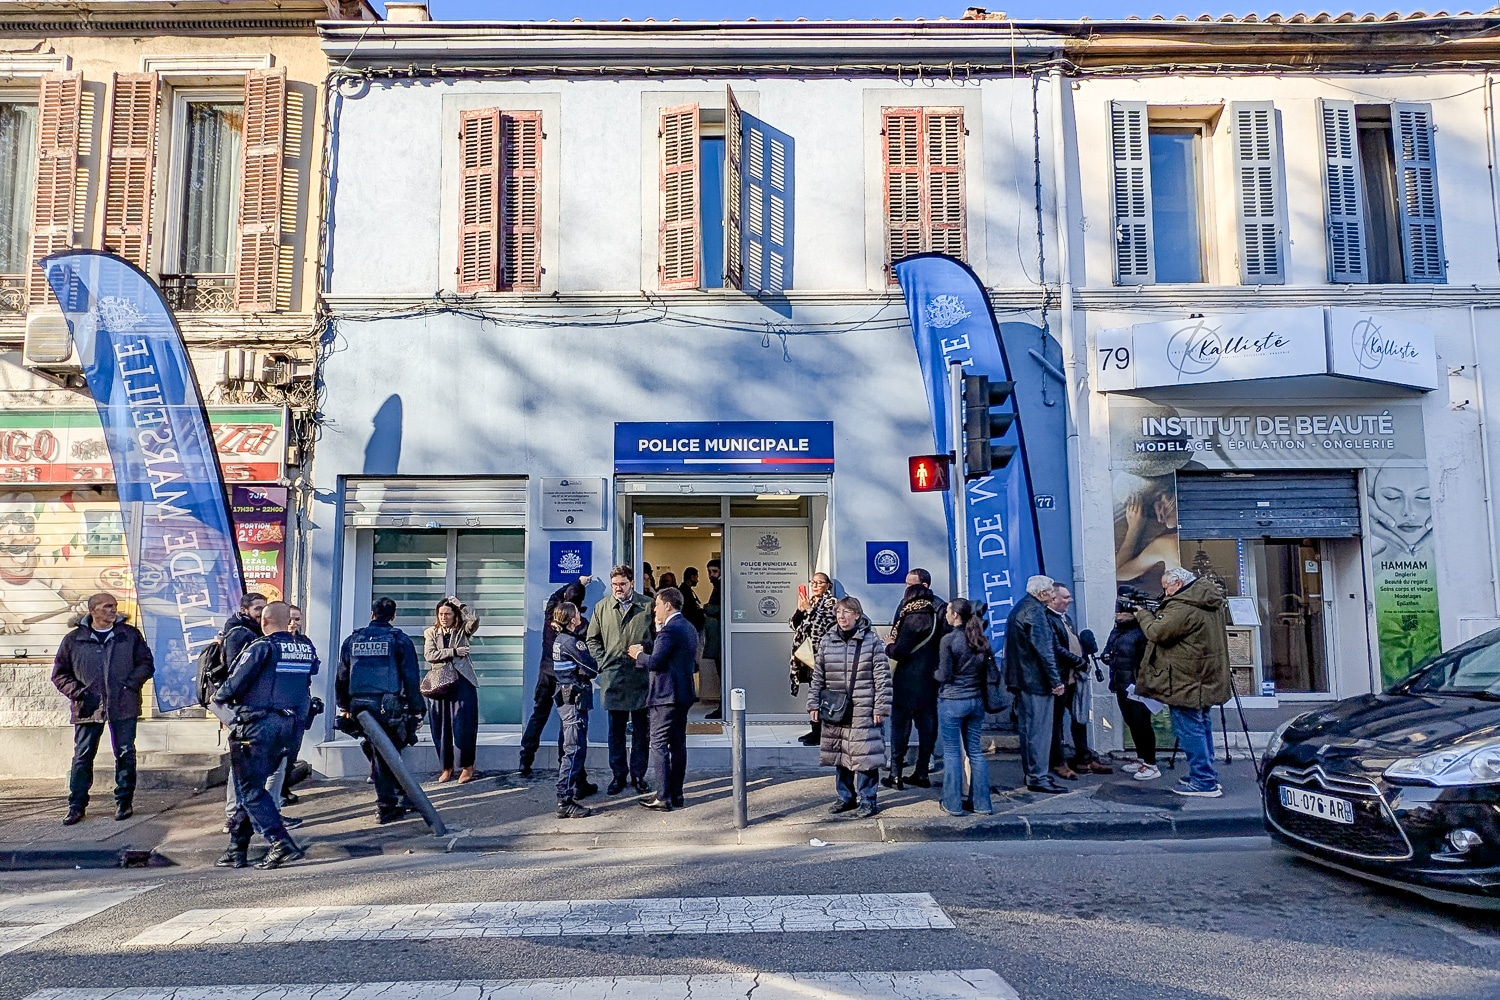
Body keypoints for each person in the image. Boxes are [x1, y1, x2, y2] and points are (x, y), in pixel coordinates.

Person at [212, 601, 315, 869]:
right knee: (251, 787)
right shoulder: (305, 648)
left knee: (249, 790)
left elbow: (230, 688)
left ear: (264, 622)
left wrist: (220, 696)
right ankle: (237, 847)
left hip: (257, 726)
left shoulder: (261, 647)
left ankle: (280, 843)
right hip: (289, 728)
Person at [50, 593, 154, 825]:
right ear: (93, 610)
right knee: (83, 756)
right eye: (107, 606)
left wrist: (130, 685)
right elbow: (59, 674)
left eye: (114, 606)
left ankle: (124, 801)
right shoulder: (74, 639)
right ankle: (76, 806)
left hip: (123, 704)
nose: (113, 610)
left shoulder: (128, 635)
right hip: (88, 707)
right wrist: (79, 693)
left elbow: (146, 664)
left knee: (125, 753)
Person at [1135, 566, 1233, 798]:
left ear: (1178, 583)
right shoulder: (1206, 599)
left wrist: (1142, 614)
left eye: (1166, 587)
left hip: (1185, 678)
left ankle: (1203, 781)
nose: (1165, 592)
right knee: (1201, 725)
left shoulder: (1183, 606)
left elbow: (1157, 632)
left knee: (1190, 729)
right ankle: (1206, 775)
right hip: (1203, 675)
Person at [337, 597, 426, 823]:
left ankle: (401, 796)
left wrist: (344, 706)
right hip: (388, 707)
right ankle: (387, 805)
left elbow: (342, 676)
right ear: (393, 616)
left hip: (360, 707)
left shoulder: (352, 640)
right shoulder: (399, 640)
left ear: (372, 614)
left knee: (381, 751)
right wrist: (417, 710)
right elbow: (410, 677)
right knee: (385, 753)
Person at [808, 596, 892, 818]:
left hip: (864, 707)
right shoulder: (828, 640)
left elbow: (882, 678)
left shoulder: (871, 641)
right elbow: (818, 676)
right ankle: (846, 797)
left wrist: (880, 708)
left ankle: (868, 799)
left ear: (857, 615)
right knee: (841, 753)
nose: (841, 617)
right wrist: (813, 704)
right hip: (836, 707)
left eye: (846, 612)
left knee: (865, 755)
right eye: (838, 612)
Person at [586, 565, 654, 796]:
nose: (618, 588)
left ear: (632, 583)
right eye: (615, 584)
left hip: (640, 676)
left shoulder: (647, 605)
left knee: (641, 731)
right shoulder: (602, 607)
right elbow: (592, 639)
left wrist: (647, 656)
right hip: (613, 677)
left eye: (623, 584)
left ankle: (639, 775)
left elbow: (658, 637)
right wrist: (602, 661)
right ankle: (618, 775)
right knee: (615, 731)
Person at [629, 586, 698, 811]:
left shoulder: (669, 631)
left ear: (667, 605)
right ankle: (676, 794)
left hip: (665, 696)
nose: (654, 610)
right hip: (683, 694)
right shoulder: (687, 627)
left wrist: (638, 655)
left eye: (657, 605)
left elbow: (656, 662)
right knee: (678, 744)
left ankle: (663, 796)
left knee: (658, 744)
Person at [519, 579, 591, 782]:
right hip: (566, 677)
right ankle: (563, 763)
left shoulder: (551, 613)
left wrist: (577, 582)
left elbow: (554, 595)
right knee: (566, 722)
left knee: (539, 715)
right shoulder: (580, 624)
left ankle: (525, 758)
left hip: (545, 673)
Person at [1004, 575, 1066, 794]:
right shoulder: (1036, 613)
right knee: (1039, 731)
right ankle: (1038, 776)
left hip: (1023, 679)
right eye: (1051, 591)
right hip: (1035, 681)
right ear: (1042, 593)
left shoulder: (1021, 608)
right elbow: (1045, 650)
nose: (1053, 594)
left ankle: (1034, 774)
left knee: (1029, 729)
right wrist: (1056, 681)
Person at [935, 599, 994, 816]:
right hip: (976, 701)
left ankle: (952, 803)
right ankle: (982, 803)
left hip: (952, 700)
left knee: (952, 753)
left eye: (948, 611)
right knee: (975, 752)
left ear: (956, 615)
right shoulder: (980, 639)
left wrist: (933, 673)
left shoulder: (949, 640)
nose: (946, 614)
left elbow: (944, 674)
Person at [1047, 586, 1112, 779]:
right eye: (1066, 597)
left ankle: (1084, 758)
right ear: (1053, 598)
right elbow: (1055, 649)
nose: (1070, 600)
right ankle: (1058, 762)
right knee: (1056, 722)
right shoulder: (1048, 619)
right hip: (1060, 679)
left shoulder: (1065, 618)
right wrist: (1079, 661)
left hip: (1074, 678)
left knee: (1080, 718)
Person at [884, 580, 943, 790]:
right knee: (927, 726)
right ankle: (922, 772)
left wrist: (889, 645)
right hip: (930, 680)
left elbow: (900, 652)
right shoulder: (936, 617)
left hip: (906, 681)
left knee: (900, 727)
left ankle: (896, 775)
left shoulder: (910, 619)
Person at [218, 592, 269, 828]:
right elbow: (236, 674)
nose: (261, 612)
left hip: (250, 706)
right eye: (257, 608)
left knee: (250, 762)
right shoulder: (240, 634)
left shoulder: (254, 632)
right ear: (244, 609)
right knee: (241, 762)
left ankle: (245, 814)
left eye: (264, 608)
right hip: (243, 707)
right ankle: (234, 816)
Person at [424, 597, 480, 784]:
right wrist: (454, 652)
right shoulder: (431, 632)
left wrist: (460, 605)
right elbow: (430, 655)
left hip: (462, 682)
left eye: (448, 614)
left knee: (464, 726)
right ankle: (446, 768)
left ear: (454, 615)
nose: (444, 617)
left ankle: (467, 766)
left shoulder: (462, 630)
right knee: (440, 727)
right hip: (439, 684)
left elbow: (474, 619)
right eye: (441, 614)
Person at [550, 601, 599, 818]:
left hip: (566, 697)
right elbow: (592, 668)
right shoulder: (572, 642)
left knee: (572, 744)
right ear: (572, 619)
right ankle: (565, 800)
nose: (580, 616)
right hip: (573, 700)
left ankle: (580, 784)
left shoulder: (560, 639)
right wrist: (583, 668)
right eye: (578, 613)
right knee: (574, 748)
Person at [1102, 599, 1160, 782]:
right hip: (1121, 684)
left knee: (1142, 724)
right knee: (1132, 723)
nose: (1119, 616)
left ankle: (1151, 764)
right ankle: (1142, 758)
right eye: (1118, 613)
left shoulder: (1142, 632)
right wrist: (1106, 657)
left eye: (1123, 613)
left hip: (1138, 687)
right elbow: (1109, 650)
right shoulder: (1117, 631)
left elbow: (1150, 660)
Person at [789, 572, 837, 746]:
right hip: (806, 656)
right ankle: (815, 729)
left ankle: (822, 732)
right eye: (813, 582)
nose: (815, 586)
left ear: (828, 585)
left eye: (820, 583)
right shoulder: (811, 602)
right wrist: (800, 611)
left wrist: (809, 610)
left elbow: (821, 627)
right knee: (813, 692)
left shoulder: (832, 603)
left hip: (821, 657)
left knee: (821, 693)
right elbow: (794, 625)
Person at [701, 559, 723, 717]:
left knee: (722, 674)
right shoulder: (718, 586)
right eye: (709, 572)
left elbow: (718, 609)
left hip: (719, 640)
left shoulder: (721, 587)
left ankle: (723, 707)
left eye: (714, 571)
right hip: (716, 639)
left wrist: (707, 608)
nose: (711, 575)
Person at [680, 567, 706, 634]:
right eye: (697, 577)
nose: (697, 580)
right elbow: (690, 609)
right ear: (692, 577)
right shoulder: (685, 592)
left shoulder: (688, 591)